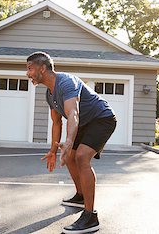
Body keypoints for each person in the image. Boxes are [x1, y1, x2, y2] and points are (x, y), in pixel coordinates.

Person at [26, 51, 117, 234]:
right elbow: (57, 122)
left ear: (42, 68)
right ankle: (81, 196)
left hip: (102, 119)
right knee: (69, 157)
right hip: (84, 123)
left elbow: (73, 114)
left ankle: (91, 216)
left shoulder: (67, 83)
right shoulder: (49, 94)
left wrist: (69, 141)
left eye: (30, 69)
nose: (27, 73)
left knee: (82, 157)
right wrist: (53, 149)